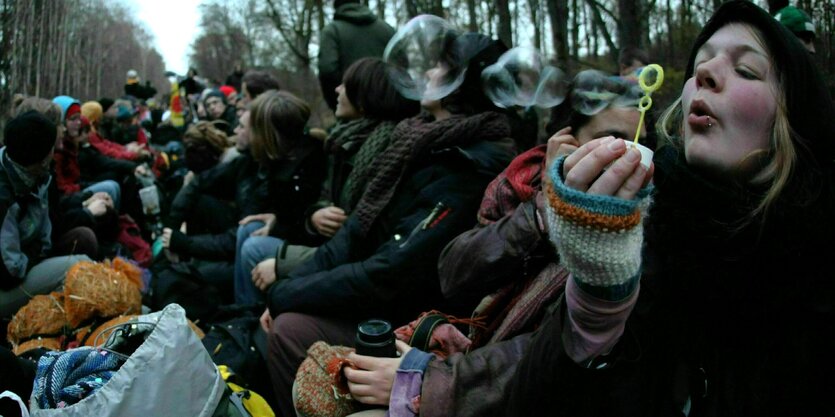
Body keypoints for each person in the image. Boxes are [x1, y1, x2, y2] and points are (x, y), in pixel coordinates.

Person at [501, 1, 835, 415]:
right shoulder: (648, 236)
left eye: (747, 70)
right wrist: (596, 304)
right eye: (702, 62)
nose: (704, 73)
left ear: (794, 124)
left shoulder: (819, 279)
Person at [340, 71, 650, 417]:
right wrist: (544, 210)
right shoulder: (518, 187)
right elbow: (454, 273)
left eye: (639, 143)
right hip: (469, 359)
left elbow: (561, 346)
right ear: (565, 144)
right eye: (610, 140)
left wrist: (424, 379)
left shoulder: (637, 236)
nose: (630, 158)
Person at [264, 31, 515, 417]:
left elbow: (392, 273)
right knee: (279, 305)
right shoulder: (417, 140)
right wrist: (286, 287)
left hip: (413, 318)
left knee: (289, 328)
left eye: (443, 67)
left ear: (462, 85)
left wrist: (285, 293)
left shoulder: (467, 166)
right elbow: (353, 236)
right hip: (381, 289)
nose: (430, 71)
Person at [244, 57, 420, 286]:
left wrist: (283, 261)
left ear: (363, 98)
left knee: (252, 248)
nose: (337, 89)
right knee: (249, 234)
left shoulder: (389, 151)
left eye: (345, 85)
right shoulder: (342, 142)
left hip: (350, 261)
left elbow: (363, 237)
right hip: (332, 248)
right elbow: (322, 198)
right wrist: (315, 216)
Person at [232, 91, 327, 306]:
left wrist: (277, 227)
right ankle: (241, 307)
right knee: (248, 228)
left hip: (312, 246)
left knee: (252, 247)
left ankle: (250, 311)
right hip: (298, 232)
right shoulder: (281, 161)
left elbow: (308, 226)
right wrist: (274, 220)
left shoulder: (307, 164)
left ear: (268, 134)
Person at [0, 112, 91, 318]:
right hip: (7, 281)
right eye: (52, 146)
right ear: (40, 158)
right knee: (78, 267)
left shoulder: (37, 174)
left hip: (27, 257)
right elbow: (9, 273)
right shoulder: (4, 197)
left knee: (84, 239)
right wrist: (39, 251)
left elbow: (53, 224)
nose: (57, 149)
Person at [318, 0, 395, 110]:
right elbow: (401, 64)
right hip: (387, 105)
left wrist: (337, 103)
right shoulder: (386, 28)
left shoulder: (332, 30)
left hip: (351, 105)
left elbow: (327, 70)